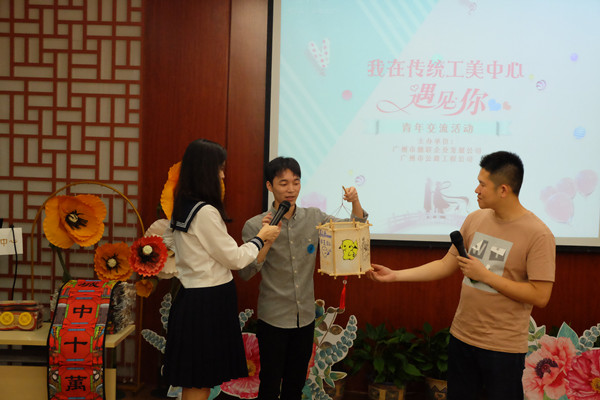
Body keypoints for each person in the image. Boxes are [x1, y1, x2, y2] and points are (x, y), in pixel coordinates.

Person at [367, 151, 555, 400]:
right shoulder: (475, 219)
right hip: (462, 338)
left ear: (503, 190)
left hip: (503, 347)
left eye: (482, 184)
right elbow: (446, 264)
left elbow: (540, 295)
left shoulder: (538, 234)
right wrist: (395, 275)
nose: (476, 190)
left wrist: (486, 276)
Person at [239, 156, 368, 400]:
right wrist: (265, 240)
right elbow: (245, 273)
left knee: (295, 384)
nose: (291, 189)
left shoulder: (314, 217)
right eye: (283, 183)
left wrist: (355, 201)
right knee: (269, 385)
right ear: (269, 186)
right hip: (273, 317)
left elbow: (355, 227)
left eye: (296, 182)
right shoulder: (255, 225)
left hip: (305, 318)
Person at [162, 139, 280, 400]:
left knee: (196, 377)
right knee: (200, 379)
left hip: (193, 297)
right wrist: (261, 237)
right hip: (207, 302)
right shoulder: (204, 212)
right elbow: (235, 259)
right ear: (206, 171)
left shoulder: (184, 205)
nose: (223, 175)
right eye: (220, 169)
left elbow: (175, 243)